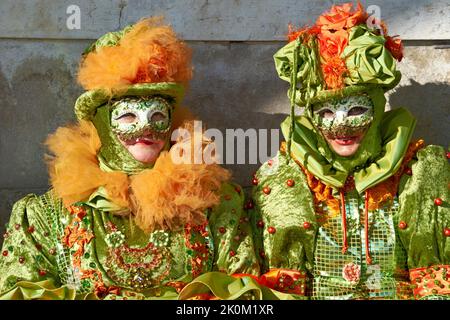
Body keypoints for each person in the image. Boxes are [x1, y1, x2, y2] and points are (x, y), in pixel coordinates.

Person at [0, 17, 259, 300]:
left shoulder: (216, 205)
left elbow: (243, 294)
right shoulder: (44, 216)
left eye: (158, 115)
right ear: (101, 123)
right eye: (128, 116)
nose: (145, 128)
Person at [244, 2, 449, 300]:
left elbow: (436, 285)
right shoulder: (288, 177)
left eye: (355, 109)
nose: (340, 126)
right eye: (326, 112)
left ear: (377, 108)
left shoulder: (418, 172)